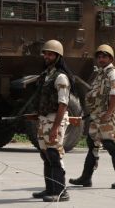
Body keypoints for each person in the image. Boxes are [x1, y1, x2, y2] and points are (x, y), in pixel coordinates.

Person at [69, 44, 115, 189]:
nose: (101, 59)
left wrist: (108, 113)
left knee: (112, 146)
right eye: (99, 56)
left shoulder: (112, 74)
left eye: (104, 56)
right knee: (92, 146)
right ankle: (86, 178)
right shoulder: (100, 74)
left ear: (110, 58)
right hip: (97, 117)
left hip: (107, 117)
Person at [31, 39, 72, 202]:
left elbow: (63, 104)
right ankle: (50, 189)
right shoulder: (47, 75)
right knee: (45, 155)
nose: (47, 56)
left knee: (54, 155)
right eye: (45, 53)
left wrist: (55, 128)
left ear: (58, 56)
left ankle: (61, 192)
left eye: (50, 54)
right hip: (44, 120)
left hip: (55, 120)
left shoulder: (61, 77)